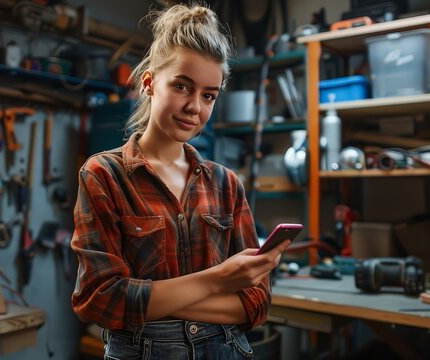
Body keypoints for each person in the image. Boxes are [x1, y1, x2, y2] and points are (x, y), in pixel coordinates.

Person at [70, 3, 289, 359]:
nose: (194, 107)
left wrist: (151, 302)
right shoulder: (104, 175)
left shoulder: (227, 184)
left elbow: (256, 304)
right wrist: (218, 281)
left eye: (208, 96)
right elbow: (100, 301)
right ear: (149, 83)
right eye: (182, 86)